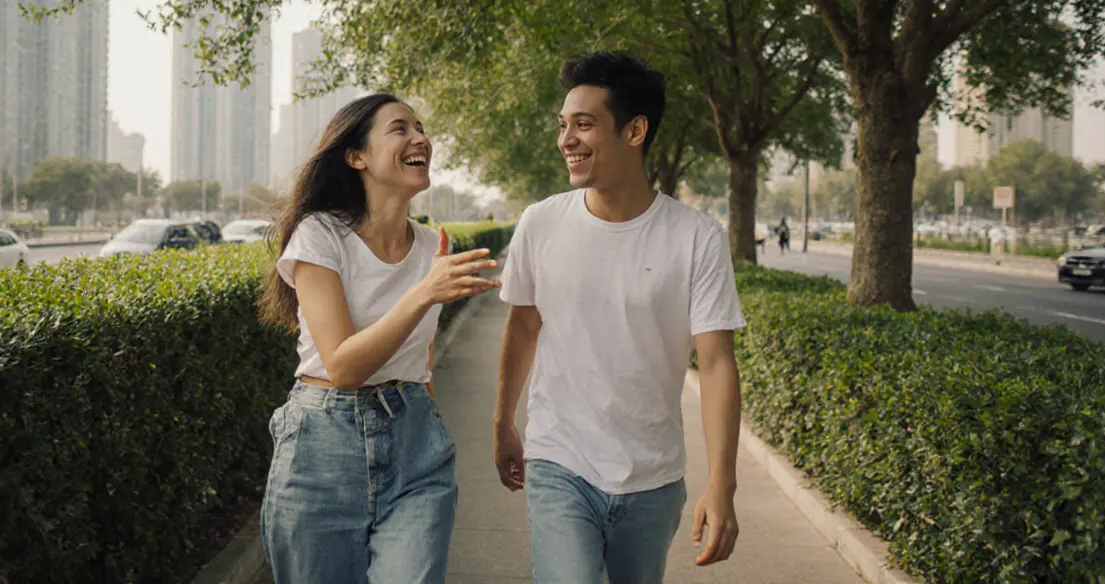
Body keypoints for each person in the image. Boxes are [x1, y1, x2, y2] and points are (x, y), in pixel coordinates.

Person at [493, 52, 747, 583]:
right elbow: (523, 327)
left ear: (634, 131)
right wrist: (503, 421)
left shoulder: (697, 237)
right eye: (563, 125)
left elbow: (717, 363)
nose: (566, 140)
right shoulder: (540, 223)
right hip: (559, 458)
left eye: (583, 125)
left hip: (652, 476)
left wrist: (722, 483)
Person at [258, 93, 501, 583]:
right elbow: (344, 367)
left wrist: (423, 420)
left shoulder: (435, 246)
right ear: (357, 157)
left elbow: (420, 355)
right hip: (321, 449)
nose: (420, 138)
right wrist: (424, 293)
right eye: (400, 129)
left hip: (415, 448)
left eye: (420, 128)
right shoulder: (320, 234)